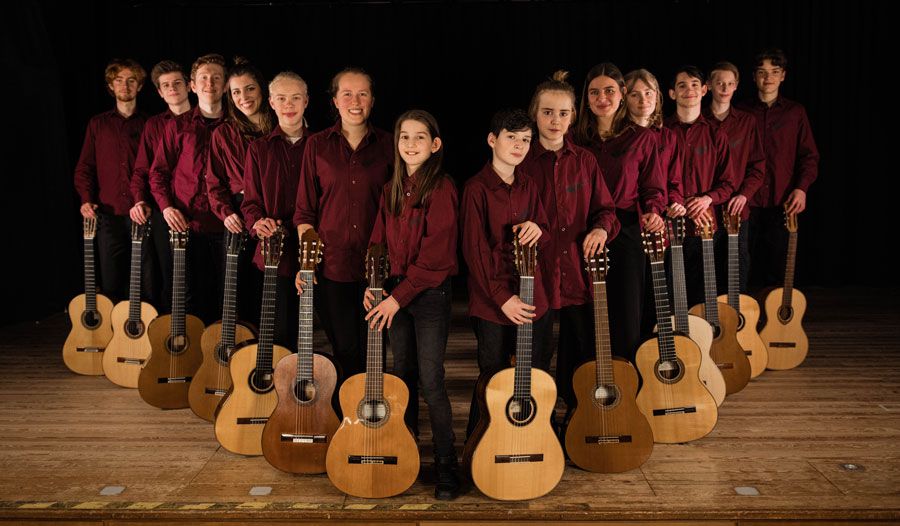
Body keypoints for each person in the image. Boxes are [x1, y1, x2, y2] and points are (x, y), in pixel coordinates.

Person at [363, 109, 460, 500]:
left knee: (431, 380)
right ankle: (404, 454)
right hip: (395, 292)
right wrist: (372, 286)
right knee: (400, 377)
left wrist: (395, 301)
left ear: (435, 145)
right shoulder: (391, 188)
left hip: (429, 295)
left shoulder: (442, 189)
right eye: (405, 137)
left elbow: (436, 259)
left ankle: (446, 466)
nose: (411, 144)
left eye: (420, 137)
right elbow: (377, 241)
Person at [520, 71, 620, 423]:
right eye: (547, 112)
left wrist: (601, 230)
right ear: (535, 113)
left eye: (563, 113)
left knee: (579, 356)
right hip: (537, 276)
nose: (555, 120)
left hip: (579, 273)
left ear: (573, 117)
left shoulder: (586, 161)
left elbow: (605, 210)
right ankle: (538, 424)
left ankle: (576, 422)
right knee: (536, 356)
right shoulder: (521, 162)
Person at [293, 67, 393, 380]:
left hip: (378, 265)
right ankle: (349, 416)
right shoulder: (317, 145)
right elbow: (304, 210)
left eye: (362, 93)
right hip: (332, 265)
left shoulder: (391, 145)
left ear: (373, 100)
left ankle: (374, 415)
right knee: (345, 349)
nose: (355, 100)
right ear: (335, 101)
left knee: (375, 346)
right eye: (346, 94)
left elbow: (399, 209)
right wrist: (306, 263)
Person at [460, 108, 550, 439]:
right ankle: (479, 449)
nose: (519, 145)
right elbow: (474, 250)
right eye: (511, 137)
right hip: (492, 303)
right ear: (492, 139)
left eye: (526, 139)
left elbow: (547, 230)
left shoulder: (530, 185)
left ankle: (534, 442)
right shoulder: (475, 189)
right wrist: (503, 298)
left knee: (534, 374)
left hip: (532, 296)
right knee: (493, 376)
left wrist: (538, 228)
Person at [574, 63, 666, 363]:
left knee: (626, 311)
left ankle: (624, 383)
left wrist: (653, 211)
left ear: (623, 93)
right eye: (594, 92)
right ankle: (582, 388)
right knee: (585, 313)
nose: (603, 98)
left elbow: (653, 188)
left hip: (626, 233)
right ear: (586, 98)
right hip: (582, 232)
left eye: (610, 90)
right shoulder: (574, 139)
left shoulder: (642, 138)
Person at [150, 53, 228, 323]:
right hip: (187, 226)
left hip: (226, 226)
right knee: (189, 297)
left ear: (226, 84)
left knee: (226, 298)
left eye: (217, 77)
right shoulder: (176, 126)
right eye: (204, 78)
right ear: (193, 86)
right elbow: (158, 173)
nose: (210, 83)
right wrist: (167, 207)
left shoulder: (235, 127)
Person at [738, 49, 819, 290]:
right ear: (754, 77)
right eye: (762, 72)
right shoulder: (741, 112)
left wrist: (801, 189)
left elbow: (810, 156)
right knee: (743, 266)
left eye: (774, 72)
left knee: (777, 266)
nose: (768, 78)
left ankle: (774, 323)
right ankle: (744, 322)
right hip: (746, 203)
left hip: (782, 201)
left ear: (783, 76)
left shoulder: (795, 112)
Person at [243, 72, 310, 351]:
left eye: (295, 97)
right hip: (277, 253)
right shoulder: (259, 149)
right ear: (271, 102)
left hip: (317, 251)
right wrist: (257, 222)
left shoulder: (321, 145)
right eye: (281, 98)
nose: (288, 104)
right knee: (281, 331)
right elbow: (250, 203)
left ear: (306, 101)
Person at [74, 58, 149, 304]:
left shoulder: (151, 123)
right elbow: (85, 167)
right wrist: (86, 199)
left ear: (140, 86)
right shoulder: (97, 124)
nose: (125, 86)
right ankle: (115, 337)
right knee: (110, 281)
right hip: (108, 214)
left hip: (144, 213)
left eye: (131, 81)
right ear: (110, 86)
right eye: (119, 81)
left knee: (145, 280)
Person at [208, 59, 275, 326]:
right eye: (236, 92)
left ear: (262, 89)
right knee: (242, 287)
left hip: (276, 209)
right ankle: (249, 353)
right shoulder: (223, 133)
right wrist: (225, 214)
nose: (243, 97)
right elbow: (214, 183)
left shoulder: (280, 126)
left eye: (249, 89)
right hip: (239, 210)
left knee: (273, 286)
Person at [664, 65, 735, 306]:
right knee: (671, 297)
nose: (689, 90)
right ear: (672, 93)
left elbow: (728, 183)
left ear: (705, 90)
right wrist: (672, 202)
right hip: (669, 226)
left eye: (695, 85)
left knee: (702, 300)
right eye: (682, 85)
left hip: (705, 226)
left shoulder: (716, 134)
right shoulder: (661, 133)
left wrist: (707, 199)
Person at [130, 60, 192, 314]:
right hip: (163, 209)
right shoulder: (154, 125)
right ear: (159, 92)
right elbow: (143, 169)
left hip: (198, 208)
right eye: (166, 85)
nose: (172, 88)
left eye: (177, 83)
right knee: (170, 275)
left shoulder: (204, 119)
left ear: (189, 86)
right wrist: (139, 200)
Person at [702, 61, 765, 293]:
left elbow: (758, 166)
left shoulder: (746, 122)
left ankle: (736, 323)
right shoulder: (698, 121)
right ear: (708, 86)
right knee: (705, 273)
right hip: (705, 212)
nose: (725, 88)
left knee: (736, 270)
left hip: (735, 210)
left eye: (730, 83)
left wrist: (744, 195)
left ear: (737, 86)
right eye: (720, 83)